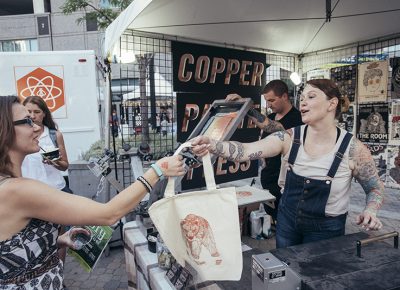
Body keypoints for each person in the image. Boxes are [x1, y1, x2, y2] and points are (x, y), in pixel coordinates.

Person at [0, 95, 185, 289]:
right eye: (27, 121)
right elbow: (108, 213)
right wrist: (157, 170)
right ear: (4, 130)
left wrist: (57, 240)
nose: (37, 126)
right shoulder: (19, 190)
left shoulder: (11, 185)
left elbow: (13, 247)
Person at [192, 79, 384, 248]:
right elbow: (246, 150)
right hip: (287, 221)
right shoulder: (290, 137)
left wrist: (370, 210)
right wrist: (213, 144)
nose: (303, 102)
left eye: (311, 96)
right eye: (301, 98)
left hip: (326, 228)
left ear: (332, 103)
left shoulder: (353, 148)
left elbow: (375, 187)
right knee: (286, 271)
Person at [226, 80, 303, 223]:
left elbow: (271, 127)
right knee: (274, 214)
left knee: (286, 219)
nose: (269, 104)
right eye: (267, 101)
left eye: (272, 100)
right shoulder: (272, 116)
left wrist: (246, 106)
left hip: (285, 181)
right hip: (268, 177)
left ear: (285, 96)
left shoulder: (296, 118)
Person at [21, 96, 73, 267]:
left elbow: (65, 166)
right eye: (28, 111)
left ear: (44, 114)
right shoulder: (19, 136)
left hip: (55, 192)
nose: (32, 115)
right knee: (34, 239)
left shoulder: (53, 135)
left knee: (60, 236)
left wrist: (55, 161)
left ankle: (59, 272)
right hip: (29, 197)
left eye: (37, 112)